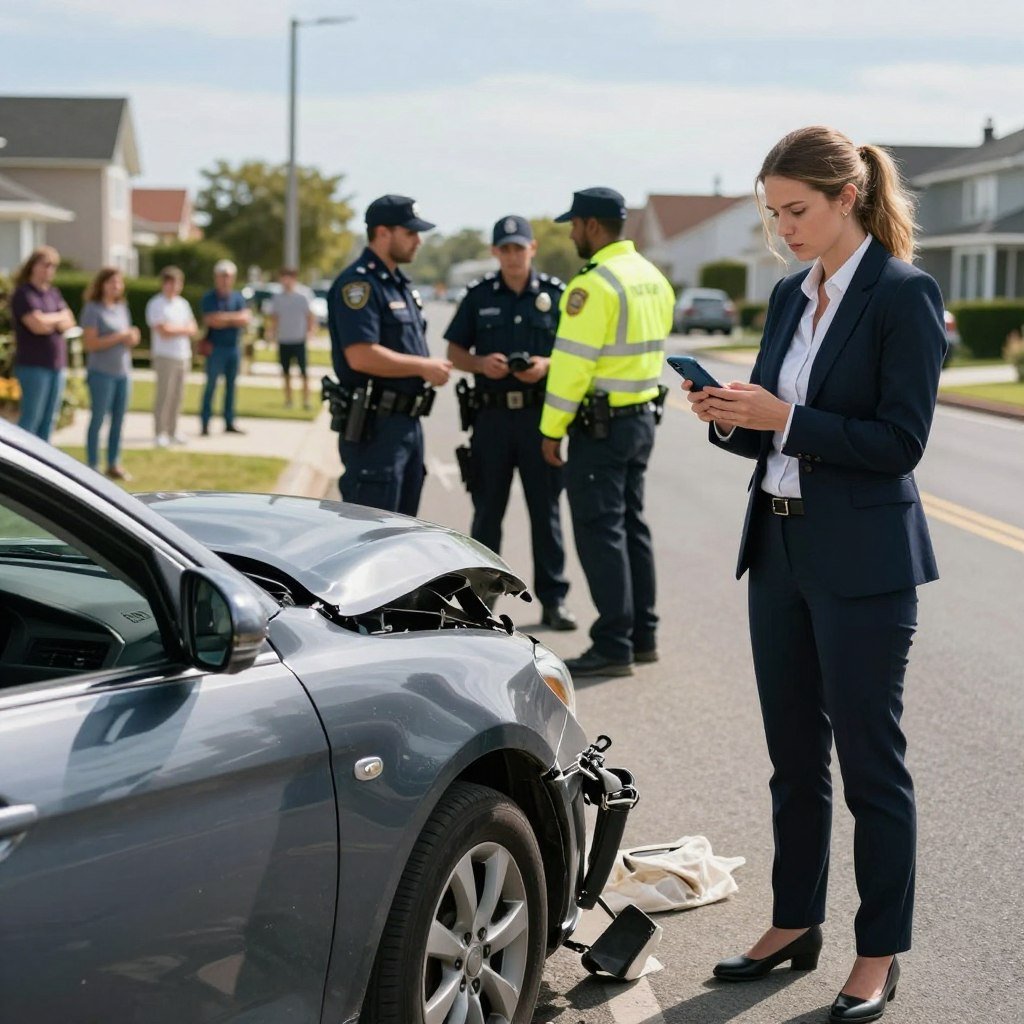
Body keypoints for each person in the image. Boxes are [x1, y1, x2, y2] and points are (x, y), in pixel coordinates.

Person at [684, 126, 946, 1023]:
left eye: (796, 211)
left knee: (872, 765)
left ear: (848, 200)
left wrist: (784, 418)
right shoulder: (793, 297)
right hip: (781, 552)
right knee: (793, 760)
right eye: (773, 214)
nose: (784, 229)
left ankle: (878, 954)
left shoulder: (903, 296)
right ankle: (794, 923)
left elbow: (900, 444)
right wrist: (729, 416)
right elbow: (769, 426)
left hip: (866, 563)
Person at [540, 187, 674, 676]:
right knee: (632, 528)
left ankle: (613, 644)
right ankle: (643, 636)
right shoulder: (652, 278)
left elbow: (571, 368)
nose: (572, 233)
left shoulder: (593, 285)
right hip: (639, 419)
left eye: (574, 225)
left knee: (601, 533)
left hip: (600, 430)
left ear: (592, 226)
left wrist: (551, 430)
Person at [445, 215, 576, 630]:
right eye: (505, 249)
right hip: (492, 420)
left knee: (546, 515)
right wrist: (481, 363)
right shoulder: (478, 296)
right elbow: (454, 351)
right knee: (487, 514)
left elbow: (576, 351)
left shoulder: (557, 295)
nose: (513, 255)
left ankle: (554, 602)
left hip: (540, 419)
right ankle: (478, 604)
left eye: (519, 248)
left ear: (532, 249)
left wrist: (546, 365)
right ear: (495, 252)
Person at [327, 194, 451, 515]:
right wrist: (424, 366)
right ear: (383, 233)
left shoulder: (399, 285)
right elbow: (361, 356)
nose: (418, 241)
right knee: (372, 534)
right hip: (375, 429)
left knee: (403, 535)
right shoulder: (359, 284)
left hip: (407, 424)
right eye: (410, 233)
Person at [80, 267, 140, 479]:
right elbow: (90, 343)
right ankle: (92, 465)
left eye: (119, 282)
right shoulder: (93, 309)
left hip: (123, 373)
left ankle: (114, 463)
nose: (116, 286)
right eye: (111, 282)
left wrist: (132, 337)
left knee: (118, 421)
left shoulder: (122, 307)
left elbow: (128, 337)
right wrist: (120, 336)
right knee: (98, 420)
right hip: (101, 374)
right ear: (102, 284)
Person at [10, 245, 76, 441]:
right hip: (33, 366)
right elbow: (36, 325)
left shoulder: (53, 293)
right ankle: (20, 466)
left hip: (56, 364)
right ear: (33, 266)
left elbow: (70, 321)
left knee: (49, 420)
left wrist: (49, 319)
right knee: (31, 419)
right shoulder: (24, 294)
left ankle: (41, 469)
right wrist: (58, 319)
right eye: (45, 265)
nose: (49, 270)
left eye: (53, 266)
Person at [146, 265, 198, 448]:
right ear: (164, 284)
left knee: (178, 395)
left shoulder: (183, 304)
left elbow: (193, 328)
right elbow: (163, 331)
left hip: (183, 355)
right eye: (170, 283)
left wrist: (176, 329)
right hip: (164, 355)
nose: (174, 287)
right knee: (164, 395)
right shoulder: (156, 304)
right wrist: (180, 329)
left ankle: (173, 430)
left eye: (177, 283)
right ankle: (160, 432)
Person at [200, 259, 250, 436]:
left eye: (228, 276)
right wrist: (233, 319)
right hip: (216, 348)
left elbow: (245, 318)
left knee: (231, 387)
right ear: (216, 277)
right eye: (222, 276)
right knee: (211, 386)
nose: (225, 280)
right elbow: (211, 320)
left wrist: (224, 318)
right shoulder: (209, 297)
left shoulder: (238, 297)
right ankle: (205, 422)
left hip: (233, 348)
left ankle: (229, 422)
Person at [266, 268, 316, 410]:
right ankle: (289, 401)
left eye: (289, 278)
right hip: (284, 339)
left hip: (299, 339)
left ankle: (306, 401)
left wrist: (310, 331)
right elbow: (274, 317)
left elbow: (310, 315)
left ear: (294, 279)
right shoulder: (277, 296)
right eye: (283, 278)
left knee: (304, 372)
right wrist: (271, 333)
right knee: (286, 372)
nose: (286, 281)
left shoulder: (303, 295)